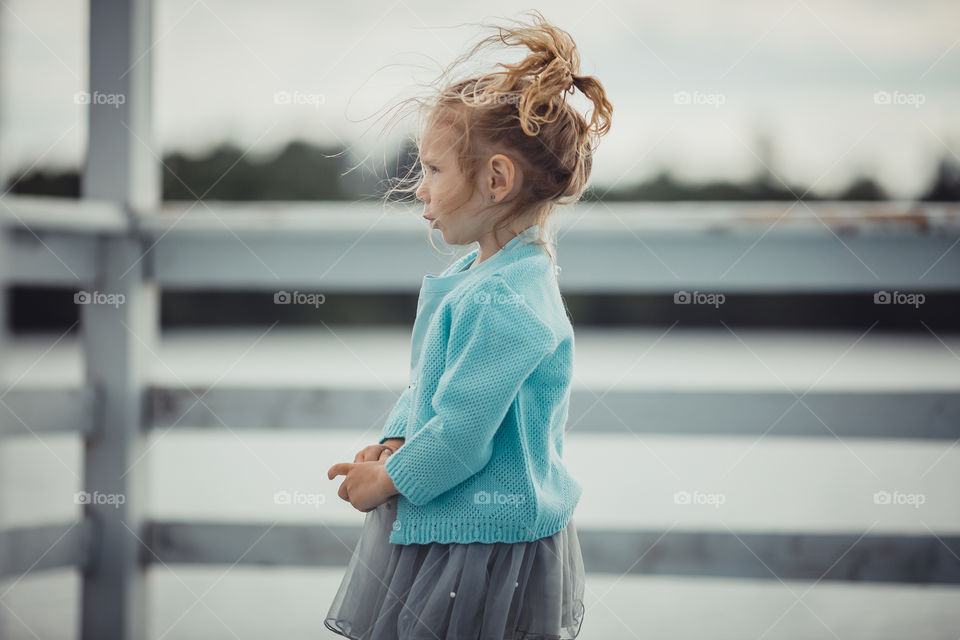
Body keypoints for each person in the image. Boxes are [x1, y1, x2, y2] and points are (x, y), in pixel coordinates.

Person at [326, 10, 612, 639]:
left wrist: (386, 481)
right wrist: (398, 438)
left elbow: (461, 436)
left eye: (432, 170)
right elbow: (434, 387)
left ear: (496, 179)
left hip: (480, 542)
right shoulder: (487, 276)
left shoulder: (501, 301)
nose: (419, 189)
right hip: (473, 526)